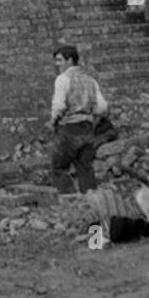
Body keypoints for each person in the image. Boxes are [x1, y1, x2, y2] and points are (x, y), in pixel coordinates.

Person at [50, 45, 108, 194]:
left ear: (69, 60)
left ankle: (70, 203)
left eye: (59, 60)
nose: (57, 64)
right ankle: (92, 204)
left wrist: (53, 122)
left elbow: (59, 106)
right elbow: (101, 108)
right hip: (88, 129)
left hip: (69, 129)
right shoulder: (91, 80)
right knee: (85, 169)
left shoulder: (62, 79)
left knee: (58, 168)